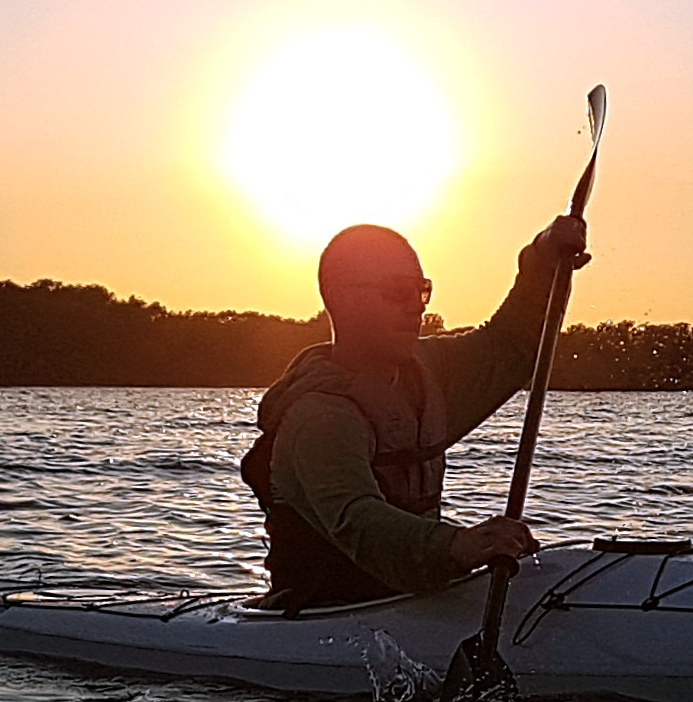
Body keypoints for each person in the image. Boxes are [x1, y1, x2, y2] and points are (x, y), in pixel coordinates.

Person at [239, 215, 588, 610]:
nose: (415, 308)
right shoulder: (318, 417)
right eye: (398, 292)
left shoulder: (428, 371)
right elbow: (358, 519)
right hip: (321, 615)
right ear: (341, 297)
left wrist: (541, 260)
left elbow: (510, 346)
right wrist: (458, 546)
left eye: (422, 292)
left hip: (414, 600)